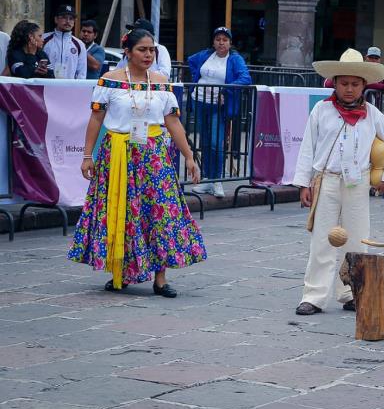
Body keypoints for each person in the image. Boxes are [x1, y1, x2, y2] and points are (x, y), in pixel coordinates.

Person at [67, 29, 206, 298]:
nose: (148, 54)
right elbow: (96, 119)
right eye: (142, 49)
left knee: (160, 212)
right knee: (122, 210)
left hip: (153, 156)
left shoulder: (162, 82)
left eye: (152, 49)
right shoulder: (110, 81)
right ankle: (121, 272)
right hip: (117, 153)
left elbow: (172, 122)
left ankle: (161, 278)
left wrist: (189, 156)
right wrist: (87, 156)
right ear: (127, 52)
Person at [293, 48, 384, 315]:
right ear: (335, 83)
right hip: (326, 181)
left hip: (358, 182)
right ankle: (314, 295)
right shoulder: (321, 110)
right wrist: (304, 183)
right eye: (344, 83)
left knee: (357, 238)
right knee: (322, 240)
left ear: (364, 85)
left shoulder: (373, 114)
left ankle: (352, 291)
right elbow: (308, 147)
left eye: (355, 84)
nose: (349, 89)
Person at [187, 26, 252, 198]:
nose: (221, 42)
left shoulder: (235, 59)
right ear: (213, 42)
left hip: (218, 106)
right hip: (200, 101)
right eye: (218, 39)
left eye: (224, 39)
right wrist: (196, 78)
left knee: (217, 142)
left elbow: (245, 78)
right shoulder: (205, 55)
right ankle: (207, 179)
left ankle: (217, 180)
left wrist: (226, 90)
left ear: (230, 43)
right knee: (206, 141)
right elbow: (191, 61)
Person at [42, 4, 87, 79]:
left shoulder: (79, 44)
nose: (68, 21)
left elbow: (81, 72)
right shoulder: (43, 39)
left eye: (71, 18)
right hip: (47, 87)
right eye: (64, 17)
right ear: (56, 19)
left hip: (69, 88)